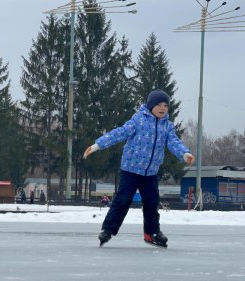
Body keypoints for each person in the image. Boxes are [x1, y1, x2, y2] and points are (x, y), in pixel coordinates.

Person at [83, 89, 194, 248]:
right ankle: (108, 230)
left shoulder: (167, 126)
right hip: (131, 170)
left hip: (150, 172)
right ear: (151, 106)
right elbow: (119, 133)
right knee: (122, 200)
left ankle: (151, 233)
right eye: (159, 105)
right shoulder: (138, 120)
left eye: (166, 105)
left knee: (152, 203)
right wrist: (97, 145)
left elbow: (173, 142)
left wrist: (185, 154)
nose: (163, 108)